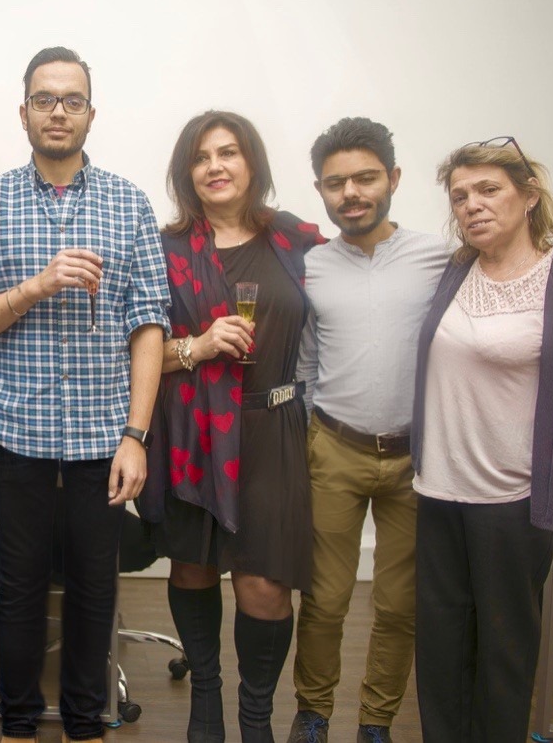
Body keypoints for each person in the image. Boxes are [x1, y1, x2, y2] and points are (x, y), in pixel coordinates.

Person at [0, 46, 170, 743]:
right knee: (17, 583)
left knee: (94, 586)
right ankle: (17, 724)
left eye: (72, 100)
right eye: (44, 99)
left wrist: (136, 434)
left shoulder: (129, 203)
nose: (58, 111)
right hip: (17, 427)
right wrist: (36, 286)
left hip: (104, 433)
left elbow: (150, 325)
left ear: (91, 115)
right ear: (23, 112)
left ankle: (85, 724)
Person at [413, 137, 553, 742]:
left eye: (489, 189)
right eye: (460, 196)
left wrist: (549, 449)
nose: (472, 205)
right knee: (441, 649)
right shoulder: (456, 272)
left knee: (504, 654)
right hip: (439, 492)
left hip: (513, 500)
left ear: (529, 196)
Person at [139, 110, 325, 743]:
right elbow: (131, 352)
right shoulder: (162, 250)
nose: (215, 166)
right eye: (201, 157)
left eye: (228, 153)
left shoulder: (295, 241)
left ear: (252, 163)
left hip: (272, 429)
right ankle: (205, 700)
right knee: (193, 567)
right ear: (185, 172)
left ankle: (255, 717)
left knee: (265, 584)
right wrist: (196, 345)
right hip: (191, 432)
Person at [287, 118, 448, 743]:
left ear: (393, 179)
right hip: (335, 447)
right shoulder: (311, 267)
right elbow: (305, 363)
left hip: (418, 459)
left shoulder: (439, 257)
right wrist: (308, 437)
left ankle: (376, 721)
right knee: (325, 600)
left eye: (365, 178)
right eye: (336, 183)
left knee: (400, 604)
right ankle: (313, 713)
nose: (351, 193)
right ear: (321, 191)